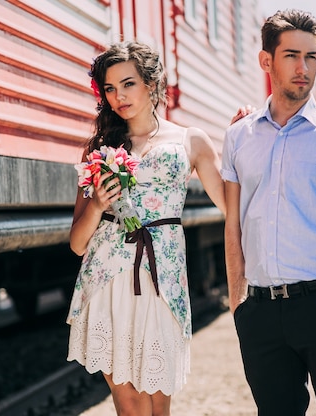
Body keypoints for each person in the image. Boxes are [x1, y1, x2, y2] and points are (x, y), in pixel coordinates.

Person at [221, 9, 316, 416]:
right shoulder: (239, 136)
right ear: (266, 61)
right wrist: (240, 303)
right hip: (261, 313)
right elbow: (233, 226)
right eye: (292, 55)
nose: (303, 67)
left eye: (311, 57)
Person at [66, 41, 225, 416]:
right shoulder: (100, 150)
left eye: (128, 84)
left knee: (157, 404)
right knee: (130, 406)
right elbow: (76, 243)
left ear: (152, 85)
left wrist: (244, 135)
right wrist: (98, 204)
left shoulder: (191, 140)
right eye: (109, 88)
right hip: (108, 277)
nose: (118, 96)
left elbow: (231, 203)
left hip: (162, 279)